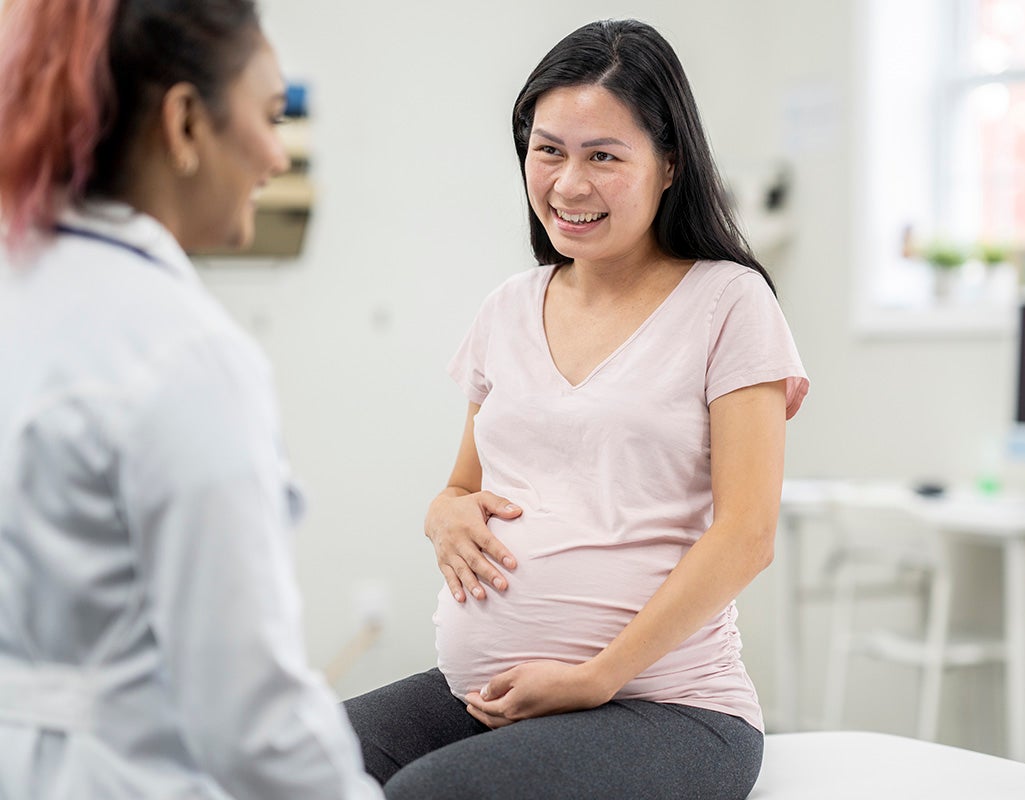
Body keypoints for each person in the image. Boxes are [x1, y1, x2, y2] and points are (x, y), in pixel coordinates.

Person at [345, 18, 809, 800]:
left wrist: (596, 677)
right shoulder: (508, 307)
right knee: (283, 766)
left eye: (603, 156)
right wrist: (443, 514)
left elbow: (747, 536)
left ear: (670, 164)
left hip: (670, 708)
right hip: (489, 699)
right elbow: (460, 487)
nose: (567, 184)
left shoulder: (730, 302)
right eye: (549, 150)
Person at [0, 2, 382, 798]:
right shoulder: (183, 355)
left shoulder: (23, 292)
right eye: (269, 116)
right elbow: (257, 730)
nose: (277, 155)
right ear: (184, 123)